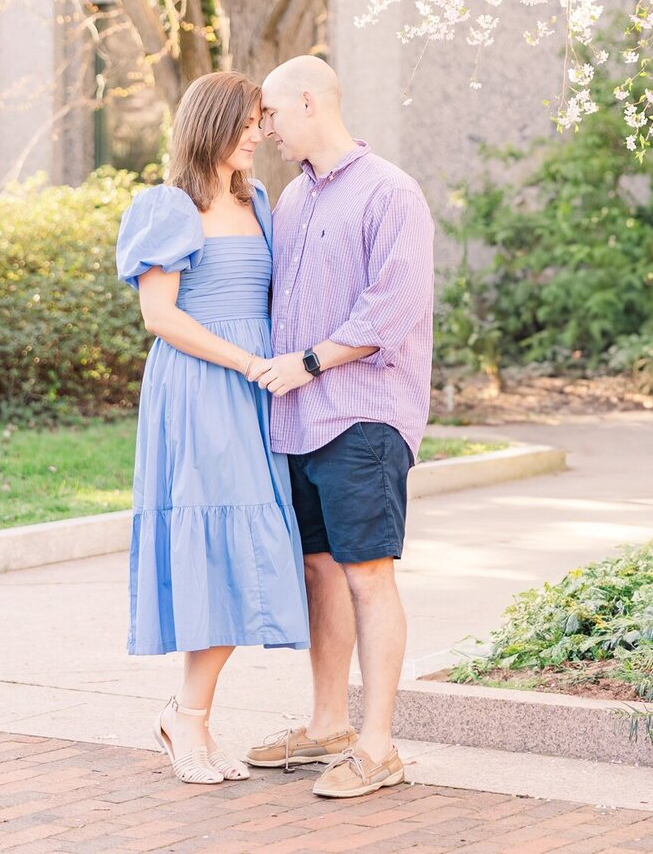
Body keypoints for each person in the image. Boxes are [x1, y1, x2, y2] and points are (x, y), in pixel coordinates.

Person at [245, 55, 434, 800]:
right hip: (296, 423)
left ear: (309, 102)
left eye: (271, 114)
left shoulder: (391, 192)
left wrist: (312, 361)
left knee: (367, 574)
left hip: (362, 415)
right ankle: (327, 726)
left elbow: (396, 307)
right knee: (318, 570)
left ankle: (378, 745)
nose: (263, 129)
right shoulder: (290, 200)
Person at [116, 70, 309, 786]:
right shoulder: (169, 205)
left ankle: (186, 714)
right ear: (212, 125)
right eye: (248, 122)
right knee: (216, 548)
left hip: (255, 391)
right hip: (200, 390)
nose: (260, 134)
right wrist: (245, 362)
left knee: (243, 550)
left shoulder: (256, 199)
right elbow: (160, 317)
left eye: (263, 121)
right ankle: (188, 720)